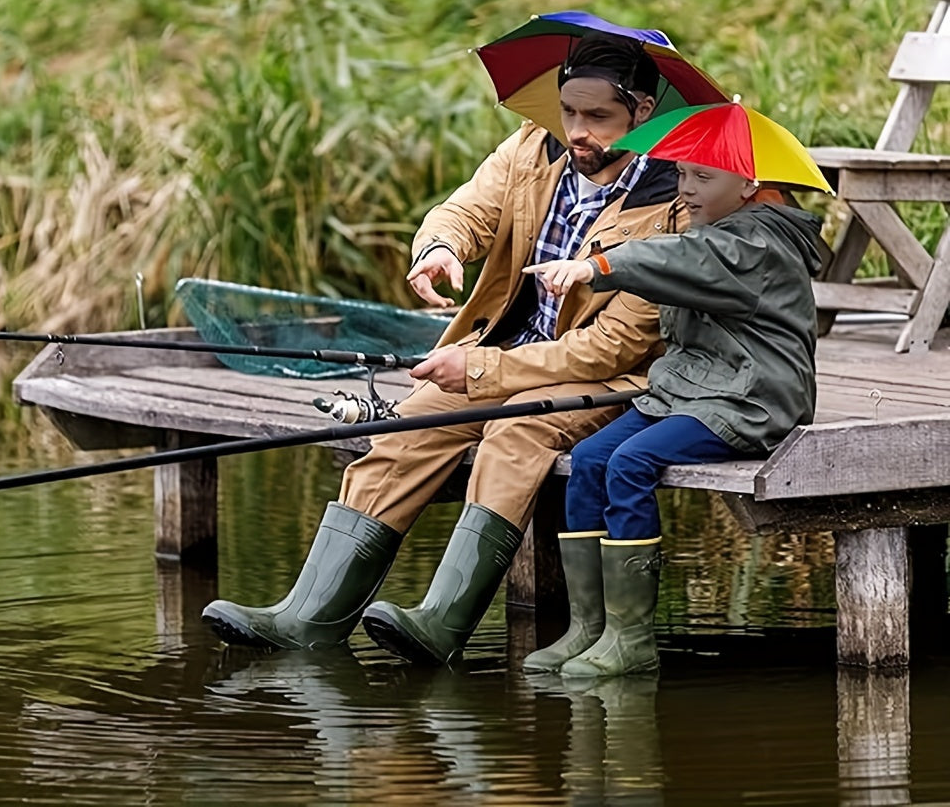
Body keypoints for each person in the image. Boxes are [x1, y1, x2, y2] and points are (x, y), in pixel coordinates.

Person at [202, 33, 687, 665]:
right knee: (408, 426)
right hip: (504, 355)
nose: (578, 130)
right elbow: (466, 211)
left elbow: (614, 346)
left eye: (598, 117)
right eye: (569, 111)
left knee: (516, 435)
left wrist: (483, 368)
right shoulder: (530, 150)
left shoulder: (673, 200)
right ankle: (309, 617)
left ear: (642, 111)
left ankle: (445, 621)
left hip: (610, 379)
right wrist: (439, 249)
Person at [520, 162, 822, 677]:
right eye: (682, 175)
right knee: (591, 458)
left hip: (752, 399)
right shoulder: (710, 229)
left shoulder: (754, 242)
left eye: (704, 178)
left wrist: (596, 266)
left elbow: (682, 259)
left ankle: (631, 638)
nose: (686, 188)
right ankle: (587, 628)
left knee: (631, 462)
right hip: (692, 391)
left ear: (749, 186)